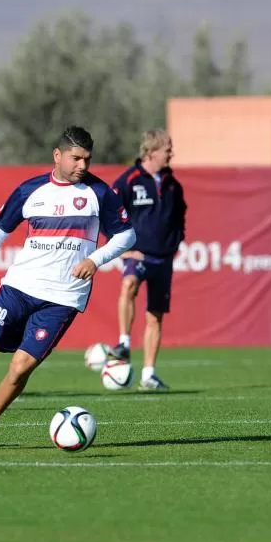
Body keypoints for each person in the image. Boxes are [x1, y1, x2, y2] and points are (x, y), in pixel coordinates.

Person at [0, 126, 135, 451]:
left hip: (62, 298)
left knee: (20, 368)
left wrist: (96, 259)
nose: (83, 166)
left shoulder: (98, 193)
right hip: (18, 287)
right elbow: (0, 227)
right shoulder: (30, 190)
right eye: (76, 158)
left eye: (87, 159)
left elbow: (127, 235)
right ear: (57, 156)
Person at [109, 129, 186, 390]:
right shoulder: (128, 180)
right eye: (167, 149)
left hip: (163, 258)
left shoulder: (173, 184)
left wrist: (175, 243)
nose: (171, 154)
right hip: (137, 254)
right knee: (128, 283)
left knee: (155, 316)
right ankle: (124, 343)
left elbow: (180, 217)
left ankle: (149, 375)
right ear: (151, 152)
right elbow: (108, 212)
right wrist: (122, 249)